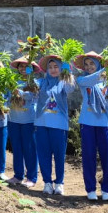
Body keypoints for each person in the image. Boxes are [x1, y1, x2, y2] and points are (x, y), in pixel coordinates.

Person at [74, 51, 108, 201]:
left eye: (92, 63)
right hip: (88, 123)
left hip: (107, 123)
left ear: (98, 64)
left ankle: (107, 190)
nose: (89, 66)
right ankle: (90, 189)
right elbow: (93, 79)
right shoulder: (82, 79)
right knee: (89, 157)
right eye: (86, 64)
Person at [35, 54, 75, 196]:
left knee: (59, 155)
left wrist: (67, 72)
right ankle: (47, 183)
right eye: (50, 67)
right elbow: (29, 89)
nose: (52, 70)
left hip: (59, 125)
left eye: (56, 67)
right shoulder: (41, 82)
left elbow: (71, 88)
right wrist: (28, 74)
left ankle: (59, 183)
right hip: (41, 123)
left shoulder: (63, 82)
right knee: (44, 155)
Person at [5, 57, 39, 188]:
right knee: (17, 148)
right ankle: (18, 175)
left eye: (26, 67)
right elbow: (7, 97)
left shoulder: (35, 82)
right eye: (21, 66)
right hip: (13, 119)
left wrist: (20, 92)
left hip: (29, 120)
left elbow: (33, 96)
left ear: (31, 69)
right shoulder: (12, 82)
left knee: (29, 149)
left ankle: (31, 177)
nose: (23, 69)